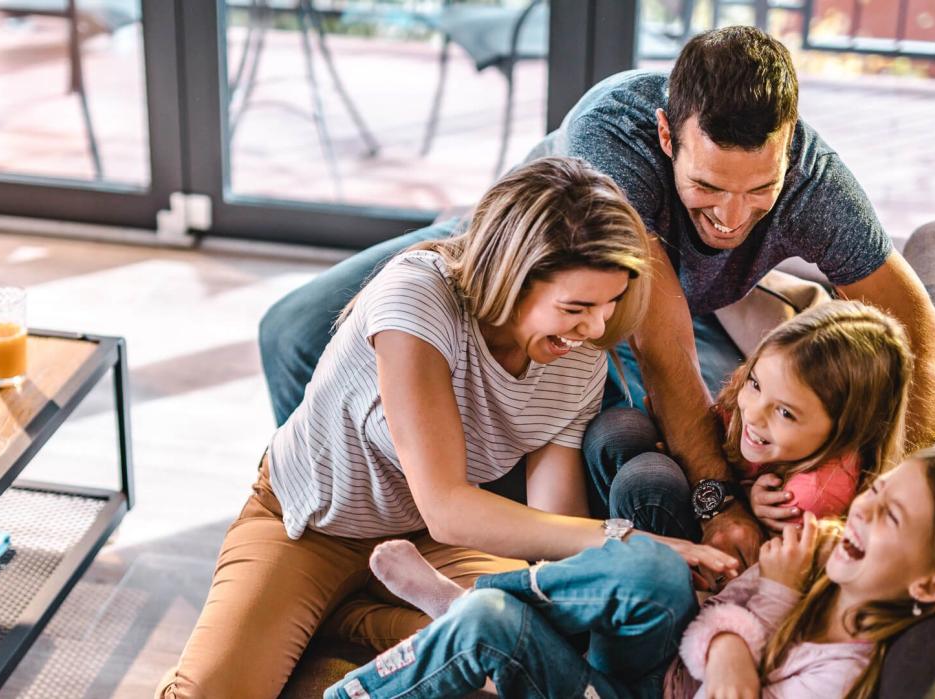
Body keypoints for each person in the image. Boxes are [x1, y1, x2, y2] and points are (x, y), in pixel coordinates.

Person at [259, 26, 935, 573]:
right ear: (667, 137)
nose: (731, 216)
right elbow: (661, 352)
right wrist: (717, 503)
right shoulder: (615, 133)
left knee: (640, 420)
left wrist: (868, 490)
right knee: (292, 330)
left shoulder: (817, 185)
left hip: (650, 306)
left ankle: (445, 533)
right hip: (520, 256)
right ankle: (341, 533)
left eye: (760, 190)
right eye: (709, 188)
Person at [157, 157, 738, 699]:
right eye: (577, 306)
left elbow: (550, 521)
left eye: (610, 304)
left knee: (525, 643)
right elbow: (448, 505)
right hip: (312, 524)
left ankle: (348, 614)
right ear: (514, 276)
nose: (598, 325)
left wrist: (608, 577)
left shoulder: (577, 354)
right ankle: (341, 614)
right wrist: (628, 541)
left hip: (431, 545)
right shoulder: (417, 296)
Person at [327, 445, 935, 699]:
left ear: (928, 584)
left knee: (488, 628)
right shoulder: (824, 565)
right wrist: (744, 605)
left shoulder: (843, 674)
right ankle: (479, 594)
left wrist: (766, 600)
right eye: (878, 490)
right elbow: (709, 623)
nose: (862, 509)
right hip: (649, 667)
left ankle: (469, 609)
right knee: (652, 566)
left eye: (890, 517)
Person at [717, 300, 913, 533]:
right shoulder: (772, 380)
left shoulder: (812, 496)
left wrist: (745, 504)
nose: (753, 413)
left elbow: (752, 563)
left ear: (847, 429)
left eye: (785, 413)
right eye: (755, 384)